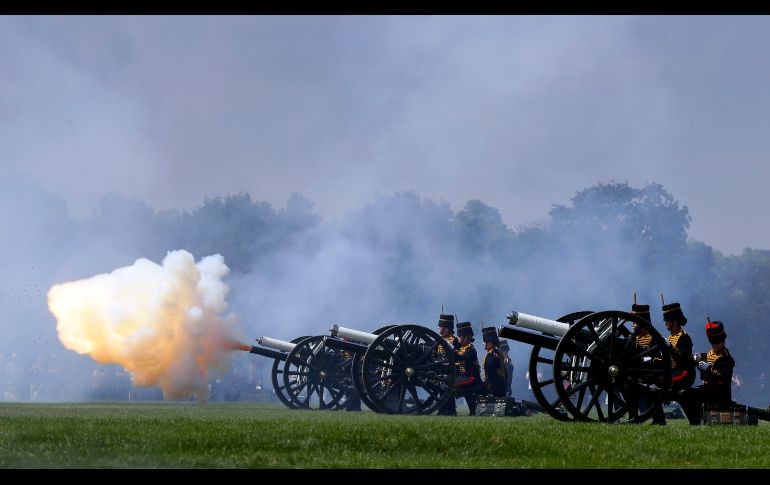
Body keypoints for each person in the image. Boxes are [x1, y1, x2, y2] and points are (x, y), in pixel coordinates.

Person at [678, 320, 735, 425]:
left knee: (691, 394)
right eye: (713, 342)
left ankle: (695, 423)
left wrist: (708, 368)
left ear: (723, 341)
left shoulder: (726, 358)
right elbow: (703, 370)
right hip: (708, 388)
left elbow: (723, 376)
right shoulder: (708, 354)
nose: (715, 344)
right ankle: (694, 421)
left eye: (717, 342)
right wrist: (696, 361)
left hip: (720, 391)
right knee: (684, 394)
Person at [627, 303, 667, 424]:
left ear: (643, 322)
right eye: (632, 322)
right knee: (630, 388)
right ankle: (633, 417)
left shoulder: (653, 337)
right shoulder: (632, 337)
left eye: (635, 322)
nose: (633, 325)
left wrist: (648, 359)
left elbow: (660, 358)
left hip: (651, 372)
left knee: (650, 389)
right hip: (635, 372)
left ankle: (659, 420)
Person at [453, 321, 482, 416]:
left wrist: (453, 351)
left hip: (471, 378)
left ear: (466, 337)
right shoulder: (462, 349)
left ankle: (473, 411)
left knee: (461, 388)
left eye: (460, 336)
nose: (458, 338)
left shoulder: (470, 349)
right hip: (463, 377)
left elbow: (462, 359)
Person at [436, 313, 458, 416]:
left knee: (448, 390)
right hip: (441, 369)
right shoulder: (439, 340)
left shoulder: (454, 340)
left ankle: (451, 411)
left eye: (440, 326)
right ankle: (442, 410)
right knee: (441, 390)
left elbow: (458, 356)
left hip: (451, 369)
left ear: (446, 328)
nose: (438, 328)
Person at [481, 327, 508, 398]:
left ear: (490, 342)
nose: (483, 344)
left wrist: (487, 388)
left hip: (494, 388)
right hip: (500, 386)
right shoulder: (497, 353)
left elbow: (491, 375)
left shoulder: (491, 357)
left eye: (485, 342)